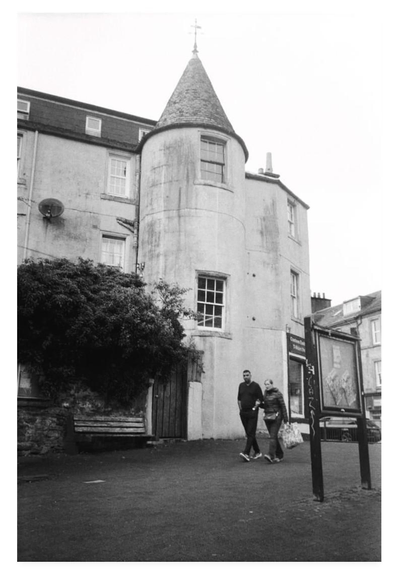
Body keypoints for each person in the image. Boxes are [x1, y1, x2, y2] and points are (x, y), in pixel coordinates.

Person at [237, 370, 264, 462]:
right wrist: (240, 409)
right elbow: (239, 399)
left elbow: (261, 399)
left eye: (247, 375)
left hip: (252, 412)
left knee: (250, 432)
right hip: (243, 413)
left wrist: (255, 407)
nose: (245, 377)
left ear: (250, 375)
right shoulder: (241, 385)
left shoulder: (256, 386)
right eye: (244, 375)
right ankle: (257, 451)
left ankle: (246, 453)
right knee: (249, 433)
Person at [262, 379, 289, 464]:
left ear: (272, 384)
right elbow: (265, 405)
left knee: (272, 436)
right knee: (273, 436)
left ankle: (271, 455)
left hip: (277, 417)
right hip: (268, 417)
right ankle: (280, 454)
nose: (267, 386)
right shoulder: (265, 393)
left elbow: (283, 407)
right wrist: (259, 404)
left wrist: (286, 420)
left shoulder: (278, 394)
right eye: (265, 384)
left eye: (268, 384)